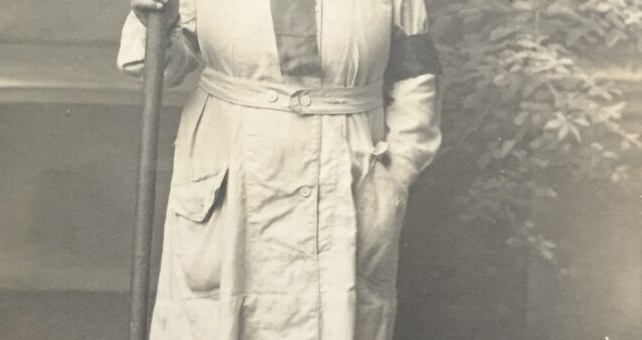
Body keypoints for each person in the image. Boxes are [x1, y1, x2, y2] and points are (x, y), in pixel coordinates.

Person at [117, 0, 441, 339]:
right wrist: (154, 21)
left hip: (346, 171)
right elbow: (157, 64)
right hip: (233, 168)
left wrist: (396, 173)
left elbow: (416, 77)